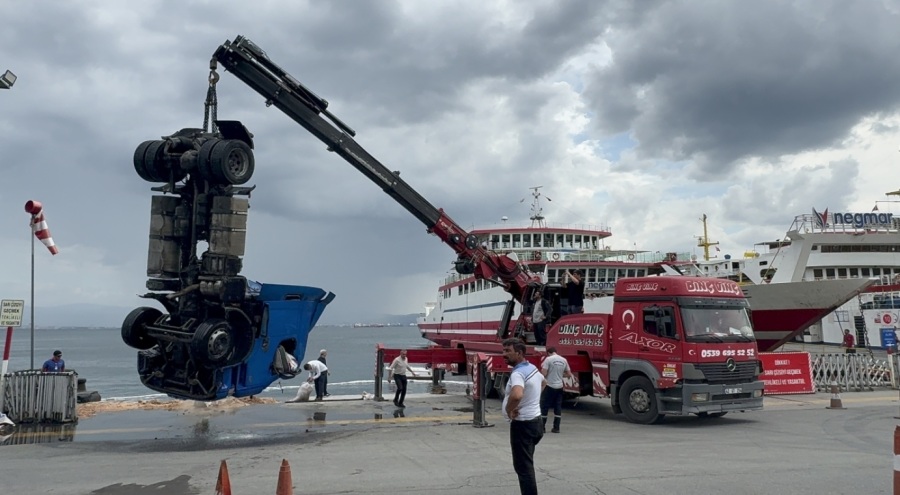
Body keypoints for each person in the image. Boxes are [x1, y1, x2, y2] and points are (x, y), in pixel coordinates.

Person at [502, 338, 546, 495]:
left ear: (519, 353)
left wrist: (509, 410)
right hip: (536, 423)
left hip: (523, 426)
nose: (504, 354)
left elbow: (516, 395)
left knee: (523, 468)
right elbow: (543, 382)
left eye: (508, 351)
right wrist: (532, 401)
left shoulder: (518, 373)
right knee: (526, 464)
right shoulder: (532, 368)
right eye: (503, 350)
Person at [540, 347, 573, 433]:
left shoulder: (548, 359)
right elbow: (569, 374)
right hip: (559, 387)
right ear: (555, 351)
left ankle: (542, 427)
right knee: (557, 407)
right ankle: (556, 427)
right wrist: (561, 376)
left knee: (544, 406)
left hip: (549, 385)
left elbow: (544, 373)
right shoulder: (564, 360)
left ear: (548, 353)